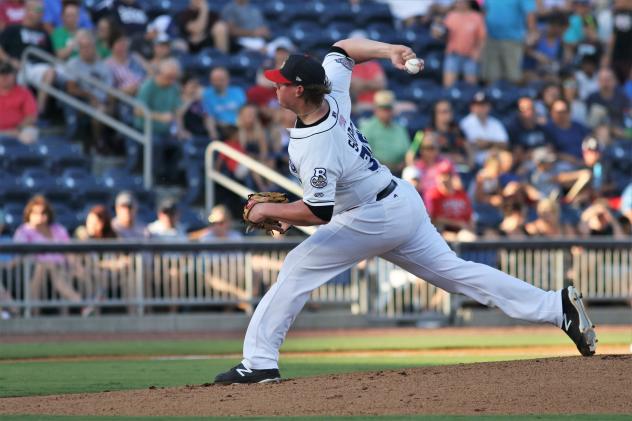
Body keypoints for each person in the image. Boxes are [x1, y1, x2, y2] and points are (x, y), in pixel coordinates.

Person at [213, 37, 597, 385]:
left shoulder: (318, 144)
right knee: (457, 274)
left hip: (369, 216)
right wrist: (390, 50)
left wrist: (266, 210)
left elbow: (319, 212)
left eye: (280, 82)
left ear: (299, 90)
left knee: (296, 269)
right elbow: (344, 49)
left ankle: (259, 362)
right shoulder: (330, 93)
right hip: (397, 200)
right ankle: (555, 306)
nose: (274, 85)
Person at [13, 195, 87, 314]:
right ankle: (81, 304)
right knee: (45, 268)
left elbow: (68, 251)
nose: (40, 216)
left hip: (61, 268)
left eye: (43, 212)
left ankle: (94, 303)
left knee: (83, 272)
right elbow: (22, 254)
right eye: (36, 213)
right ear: (29, 214)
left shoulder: (57, 229)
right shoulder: (23, 231)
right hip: (33, 270)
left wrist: (76, 266)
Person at [0, 0, 55, 112]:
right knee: (15, 75)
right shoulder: (13, 29)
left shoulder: (44, 33)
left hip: (38, 67)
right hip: (17, 66)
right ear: (27, 10)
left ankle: (38, 111)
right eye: (38, 10)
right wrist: (10, 61)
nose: (41, 13)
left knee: (50, 72)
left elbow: (51, 56)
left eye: (42, 11)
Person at [480, 0, 537, 84]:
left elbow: (530, 13)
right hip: (491, 38)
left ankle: (512, 96)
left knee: (513, 75)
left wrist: (532, 33)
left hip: (513, 39)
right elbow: (484, 11)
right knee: (490, 75)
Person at [359, 90, 410, 176]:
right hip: (375, 173)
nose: (386, 111)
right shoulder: (367, 128)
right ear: (375, 108)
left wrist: (404, 163)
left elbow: (407, 151)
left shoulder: (400, 127)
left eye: (389, 108)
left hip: (399, 172)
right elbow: (362, 155)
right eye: (382, 108)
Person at [442, 0, 486, 87]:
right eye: (458, 2)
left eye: (462, 2)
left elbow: (482, 38)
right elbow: (443, 34)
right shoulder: (451, 16)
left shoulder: (476, 17)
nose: (460, 4)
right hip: (453, 54)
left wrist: (478, 52)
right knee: (448, 85)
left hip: (470, 55)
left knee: (471, 85)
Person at [459, 91, 509, 167]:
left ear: (489, 107)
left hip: (494, 158)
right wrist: (493, 144)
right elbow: (471, 144)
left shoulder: (495, 123)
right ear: (472, 107)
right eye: (477, 105)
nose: (480, 108)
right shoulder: (465, 123)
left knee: (505, 156)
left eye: (483, 105)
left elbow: (505, 144)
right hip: (474, 161)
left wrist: (486, 143)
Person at [201, 66, 246, 136]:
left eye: (221, 80)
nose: (218, 83)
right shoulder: (206, 95)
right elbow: (208, 117)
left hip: (240, 127)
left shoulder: (237, 92)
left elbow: (245, 111)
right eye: (214, 80)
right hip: (221, 129)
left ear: (227, 79)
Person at [0, 60, 38, 143]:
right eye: (2, 74)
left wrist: (18, 128)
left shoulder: (24, 93)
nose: (4, 77)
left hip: (19, 130)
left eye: (8, 74)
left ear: (14, 75)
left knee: (28, 135)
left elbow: (31, 116)